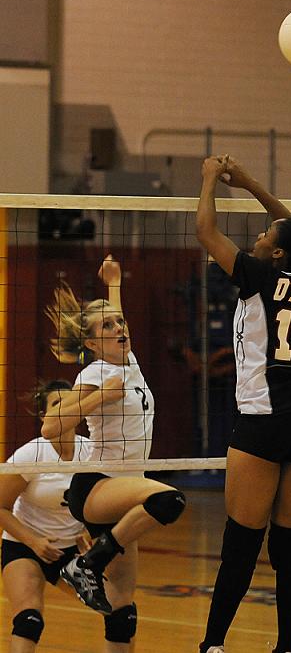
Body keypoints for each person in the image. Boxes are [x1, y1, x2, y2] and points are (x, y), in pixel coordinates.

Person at [196, 155, 291, 653]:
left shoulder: (258, 275)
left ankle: (212, 645)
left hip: (263, 420)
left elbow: (205, 230)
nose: (257, 235)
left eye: (264, 235)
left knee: (241, 543)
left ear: (275, 254)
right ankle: (287, 649)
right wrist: (253, 184)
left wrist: (211, 178)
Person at [41, 255, 186, 625]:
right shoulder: (95, 371)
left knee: (122, 605)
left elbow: (115, 325)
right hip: (98, 486)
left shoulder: (128, 360)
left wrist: (115, 283)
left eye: (121, 322)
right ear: (90, 343)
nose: (120, 327)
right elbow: (50, 427)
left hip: (127, 490)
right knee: (169, 500)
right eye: (109, 325)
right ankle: (86, 563)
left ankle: (91, 567)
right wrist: (99, 397)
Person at [0, 380, 93, 652]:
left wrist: (90, 528)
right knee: (29, 620)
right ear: (44, 416)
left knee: (121, 613)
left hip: (71, 553)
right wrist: (34, 542)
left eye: (70, 402)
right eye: (56, 403)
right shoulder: (32, 453)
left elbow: (103, 499)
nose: (65, 408)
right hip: (25, 546)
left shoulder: (92, 451)